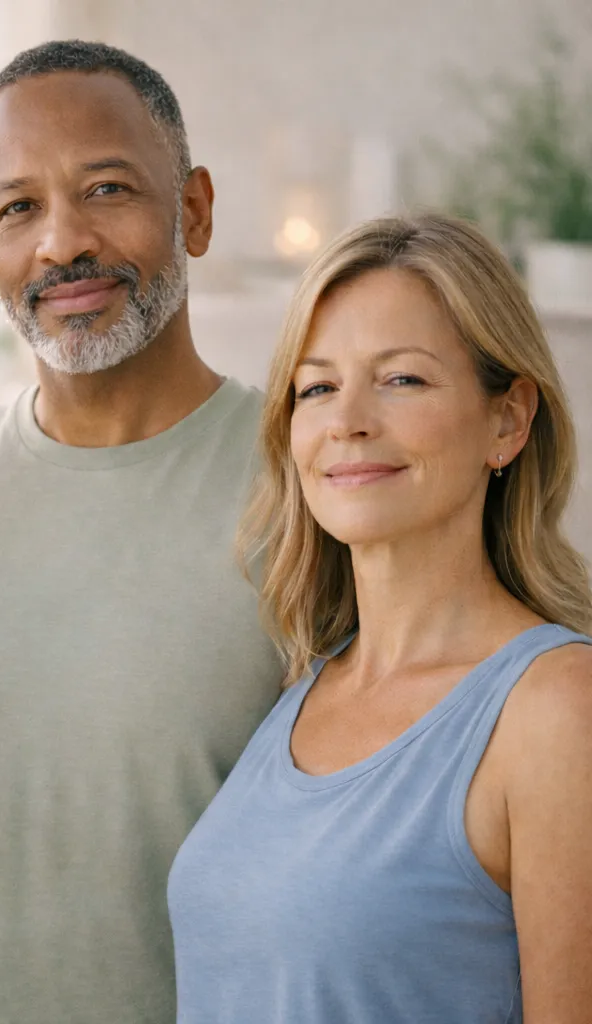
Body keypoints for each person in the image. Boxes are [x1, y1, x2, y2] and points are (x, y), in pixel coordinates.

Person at [0, 40, 283, 1024]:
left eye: (105, 189)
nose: (61, 244)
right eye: (18, 209)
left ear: (197, 210)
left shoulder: (311, 481)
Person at [168, 213, 592, 1023]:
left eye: (402, 379)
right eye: (317, 387)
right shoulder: (304, 683)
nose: (348, 420)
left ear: (507, 421)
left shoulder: (557, 709)